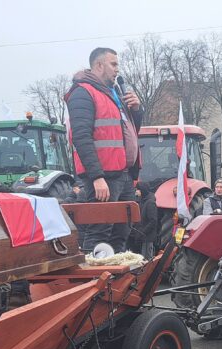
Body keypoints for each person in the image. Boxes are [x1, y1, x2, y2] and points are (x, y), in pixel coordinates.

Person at [65, 47, 143, 253]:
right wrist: (97, 177)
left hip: (123, 176)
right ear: (99, 65)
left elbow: (129, 131)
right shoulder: (82, 93)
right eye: (113, 64)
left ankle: (115, 281)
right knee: (100, 232)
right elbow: (81, 137)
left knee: (121, 233)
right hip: (103, 178)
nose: (117, 69)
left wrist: (136, 110)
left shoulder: (114, 94)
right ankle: (93, 280)